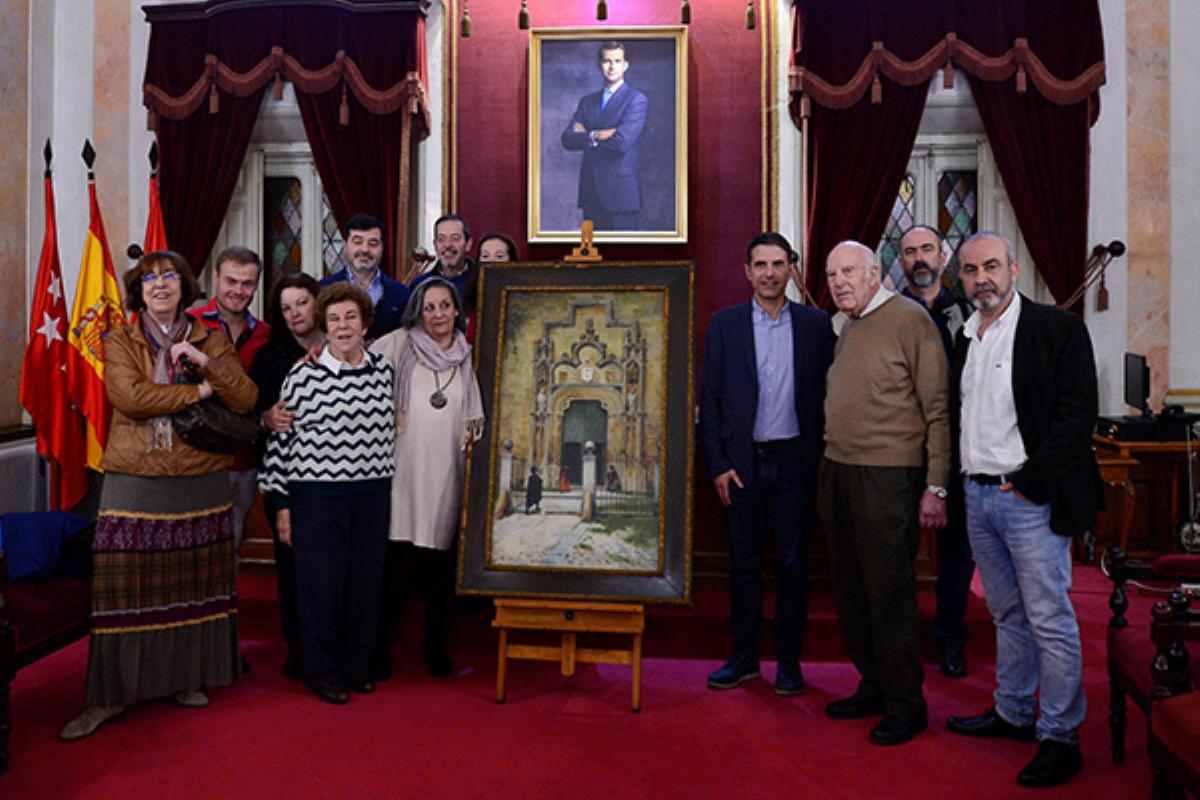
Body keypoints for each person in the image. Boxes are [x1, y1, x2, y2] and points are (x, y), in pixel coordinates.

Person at [60, 250, 257, 741]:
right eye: (150, 279)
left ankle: (184, 679)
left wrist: (205, 363)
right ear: (139, 291)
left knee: (191, 587)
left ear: (185, 286)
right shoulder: (119, 338)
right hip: (136, 474)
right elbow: (131, 398)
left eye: (170, 276)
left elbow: (247, 398)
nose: (161, 285)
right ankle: (109, 697)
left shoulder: (212, 337)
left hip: (200, 476)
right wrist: (201, 392)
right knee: (121, 590)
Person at [946, 232, 1101, 789]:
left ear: (1013, 269)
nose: (980, 278)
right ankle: (1013, 711)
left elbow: (1076, 416)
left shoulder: (1056, 328)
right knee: (1006, 614)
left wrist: (1031, 483)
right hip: (978, 496)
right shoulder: (966, 335)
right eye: (970, 270)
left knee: (1049, 618)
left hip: (1027, 499)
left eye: (990, 266)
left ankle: (1060, 736)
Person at [818, 240, 949, 746]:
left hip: (888, 475)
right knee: (851, 592)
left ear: (874, 273)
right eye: (832, 274)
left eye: (849, 271)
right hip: (839, 469)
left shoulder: (910, 320)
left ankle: (905, 704)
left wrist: (936, 485)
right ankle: (873, 685)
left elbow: (937, 409)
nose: (839, 282)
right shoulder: (848, 325)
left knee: (888, 594)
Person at [698, 232, 835, 697]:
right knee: (744, 566)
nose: (770, 273)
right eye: (761, 265)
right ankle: (744, 659)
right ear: (747, 271)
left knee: (793, 565)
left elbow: (833, 392)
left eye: (779, 264)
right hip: (741, 467)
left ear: (791, 268)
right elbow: (710, 401)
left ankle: (789, 663)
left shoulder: (816, 325)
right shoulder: (725, 324)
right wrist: (718, 465)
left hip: (794, 462)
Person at [258, 283, 396, 704]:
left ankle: (357, 665)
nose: (343, 326)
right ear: (325, 326)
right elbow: (280, 443)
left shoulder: (384, 371)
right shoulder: (302, 374)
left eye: (351, 317)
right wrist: (280, 504)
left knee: (364, 584)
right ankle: (322, 672)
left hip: (372, 494)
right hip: (315, 497)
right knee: (320, 587)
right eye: (334, 319)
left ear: (365, 324)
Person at [369, 278, 485, 679]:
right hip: (399, 474)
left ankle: (435, 646)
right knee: (389, 571)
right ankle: (378, 651)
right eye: (429, 307)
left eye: (445, 306)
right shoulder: (399, 344)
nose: (438, 314)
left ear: (457, 310)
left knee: (439, 571)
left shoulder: (469, 356)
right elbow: (354, 359)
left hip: (445, 477)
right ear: (418, 312)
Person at [897, 225, 975, 679]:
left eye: (927, 249)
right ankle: (900, 643)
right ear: (901, 261)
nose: (919, 259)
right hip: (902, 452)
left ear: (944, 257)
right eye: (910, 252)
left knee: (956, 556)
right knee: (898, 552)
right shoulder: (887, 314)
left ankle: (951, 641)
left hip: (959, 452)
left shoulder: (968, 313)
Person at [249, 272, 325, 680]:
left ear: (318, 303)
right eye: (285, 308)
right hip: (287, 477)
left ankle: (331, 647)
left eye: (301, 303)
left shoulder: (341, 344)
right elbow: (253, 414)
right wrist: (266, 418)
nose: (294, 313)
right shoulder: (270, 356)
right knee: (293, 568)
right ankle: (298, 649)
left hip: (336, 476)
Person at [187, 246, 270, 559]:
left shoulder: (265, 334)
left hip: (243, 460)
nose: (238, 290)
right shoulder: (189, 324)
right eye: (231, 281)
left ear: (257, 284)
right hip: (197, 457)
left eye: (247, 283)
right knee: (192, 547)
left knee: (231, 545)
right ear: (216, 278)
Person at [560, 41, 648, 231]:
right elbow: (567, 139)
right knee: (592, 249)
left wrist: (585, 136)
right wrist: (596, 135)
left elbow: (620, 144)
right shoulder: (587, 101)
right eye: (607, 61)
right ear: (599, 65)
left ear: (626, 65)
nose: (612, 67)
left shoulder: (636, 100)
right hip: (591, 191)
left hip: (621, 194)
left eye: (617, 61)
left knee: (621, 250)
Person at [321, 212, 411, 339]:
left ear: (382, 247)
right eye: (358, 242)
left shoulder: (401, 294)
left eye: (373, 243)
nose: (365, 249)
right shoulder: (323, 289)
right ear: (345, 245)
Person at [409, 214, 479, 311]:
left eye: (455, 238)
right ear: (435, 245)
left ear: (468, 244)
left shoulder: (480, 280)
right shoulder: (420, 284)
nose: (447, 245)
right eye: (441, 239)